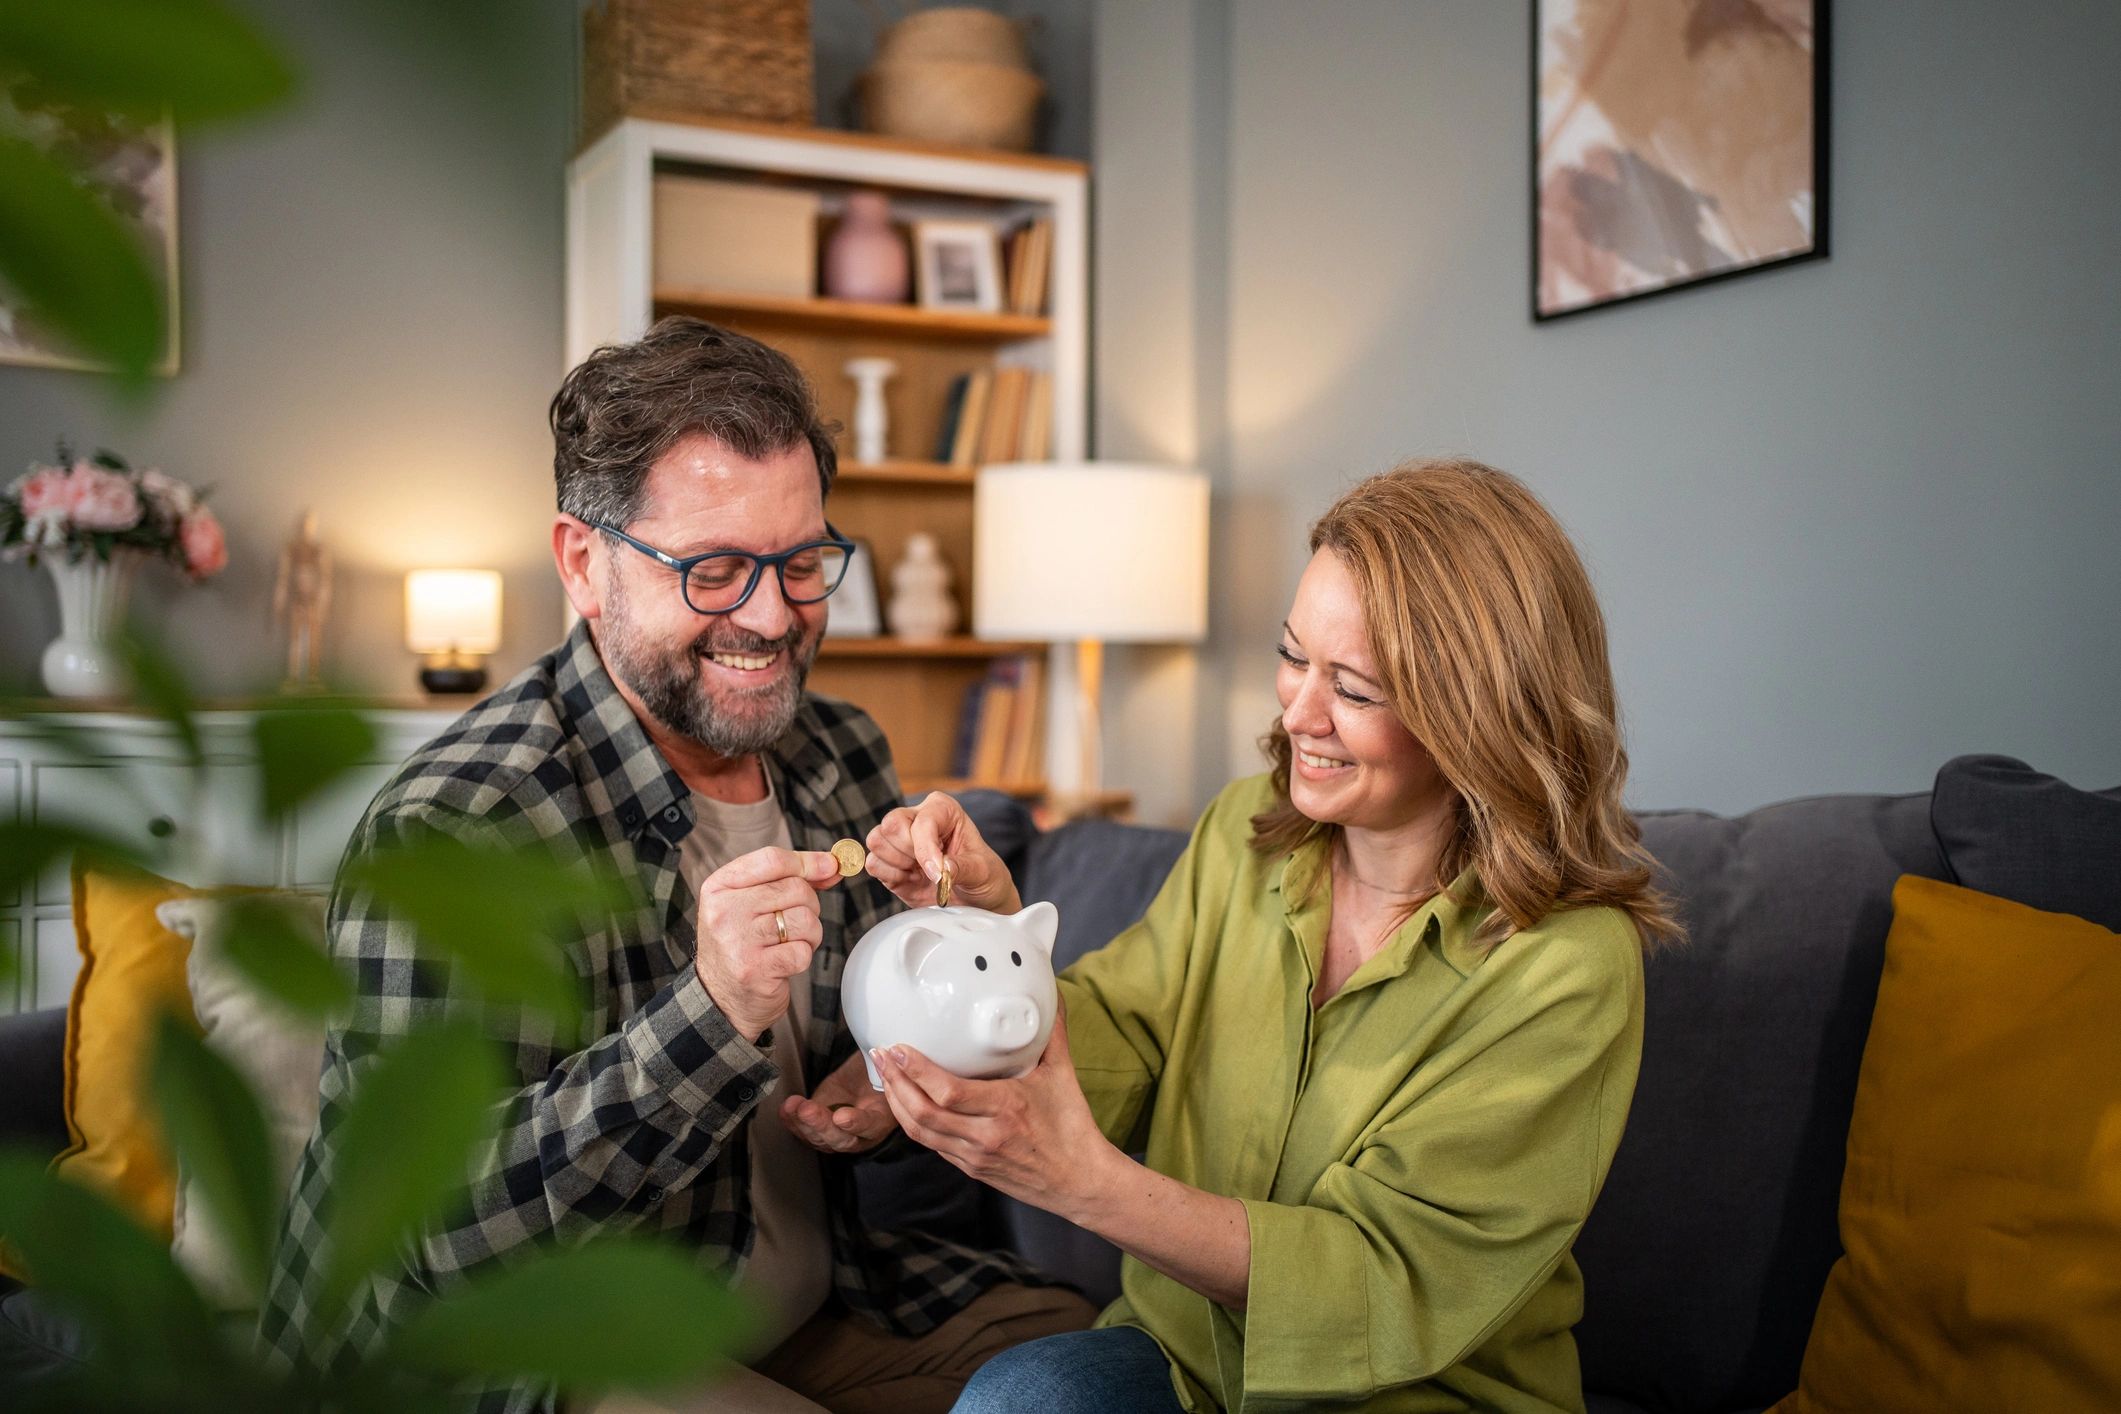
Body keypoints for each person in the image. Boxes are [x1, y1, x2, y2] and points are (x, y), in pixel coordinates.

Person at [257, 316, 1093, 1414]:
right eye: (711, 570)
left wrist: (895, 1057)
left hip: (807, 1302)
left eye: (801, 563)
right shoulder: (462, 826)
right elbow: (435, 1238)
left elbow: (878, 1049)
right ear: (582, 563)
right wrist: (711, 1010)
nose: (770, 615)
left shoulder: (841, 750)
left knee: (1094, 1362)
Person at [856, 458, 1683, 1412]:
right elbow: (1120, 1030)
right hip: (1185, 1363)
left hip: (1417, 1397)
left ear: (1479, 715)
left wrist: (1085, 1183)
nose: (1297, 713)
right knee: (1026, 1397)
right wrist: (989, 930)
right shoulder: (1244, 831)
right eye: (1294, 656)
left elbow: (1385, 1275)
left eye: (1356, 689)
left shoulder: (1567, 965)